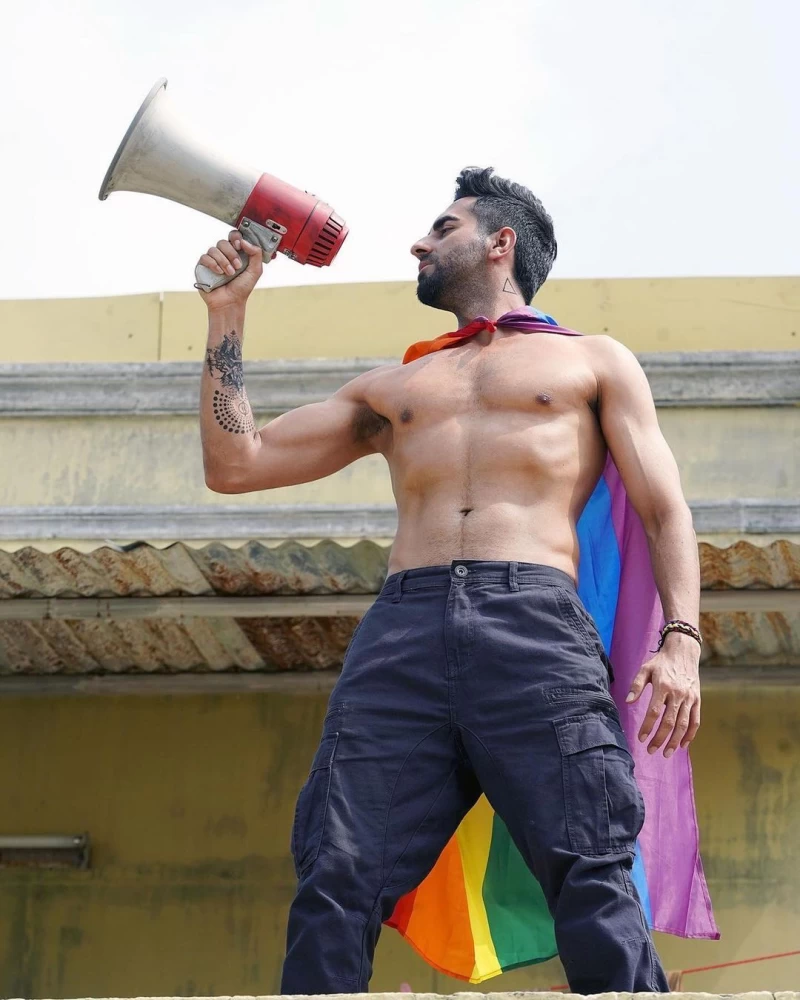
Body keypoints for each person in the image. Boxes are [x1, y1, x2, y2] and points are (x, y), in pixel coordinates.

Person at [196, 167, 702, 994]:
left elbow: (665, 510)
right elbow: (236, 464)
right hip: (404, 630)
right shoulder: (396, 386)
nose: (419, 243)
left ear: (500, 243)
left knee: (591, 869)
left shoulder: (592, 363)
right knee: (337, 872)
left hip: (533, 622)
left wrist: (680, 641)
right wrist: (228, 312)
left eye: (442, 227)